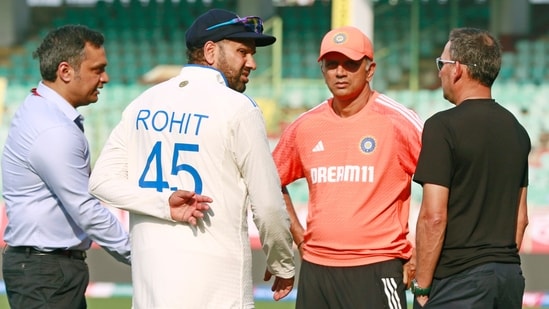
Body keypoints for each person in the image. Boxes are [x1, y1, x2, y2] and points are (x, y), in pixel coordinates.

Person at [88, 8, 295, 308]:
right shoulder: (239, 108)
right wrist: (282, 263)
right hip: (217, 292)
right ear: (210, 51)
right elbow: (267, 206)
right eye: (242, 52)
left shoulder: (143, 103)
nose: (252, 62)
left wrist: (162, 204)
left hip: (151, 292)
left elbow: (101, 182)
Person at [272, 25, 423, 309]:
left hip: (376, 267)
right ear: (323, 70)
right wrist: (299, 237)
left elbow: (443, 183)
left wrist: (420, 258)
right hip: (316, 270)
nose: (340, 72)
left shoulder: (399, 122)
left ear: (370, 69)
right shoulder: (305, 126)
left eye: (350, 64)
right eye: (332, 64)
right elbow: (269, 182)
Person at [0, 25, 132, 309]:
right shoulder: (54, 129)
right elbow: (85, 208)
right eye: (98, 69)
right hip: (46, 272)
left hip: (42, 269)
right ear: (65, 71)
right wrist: (139, 254)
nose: (105, 78)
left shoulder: (39, 109)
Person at [412, 28, 530, 309]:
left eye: (442, 63)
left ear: (457, 70)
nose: (439, 72)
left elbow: (433, 217)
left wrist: (422, 285)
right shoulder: (517, 130)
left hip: (459, 282)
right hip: (508, 278)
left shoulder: (442, 126)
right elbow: (521, 218)